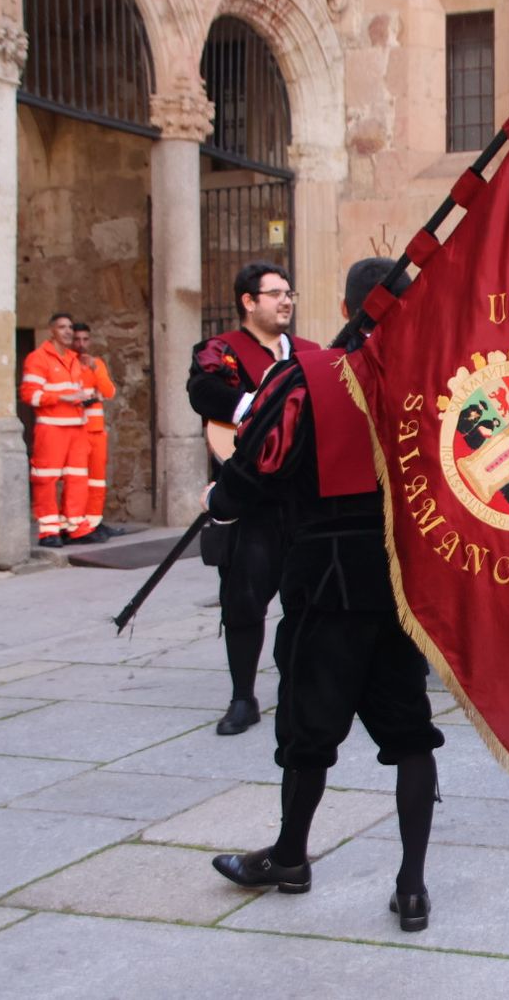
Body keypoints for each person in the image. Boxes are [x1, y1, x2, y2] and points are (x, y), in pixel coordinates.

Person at [208, 256, 443, 932]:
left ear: (346, 309)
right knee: (410, 733)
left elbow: (258, 463)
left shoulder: (303, 378)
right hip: (398, 580)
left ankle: (290, 857)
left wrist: (223, 499)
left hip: (326, 576)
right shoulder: (431, 382)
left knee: (307, 730)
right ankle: (412, 885)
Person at [188, 262, 321, 736]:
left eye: (289, 293)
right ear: (248, 301)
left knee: (310, 598)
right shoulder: (220, 351)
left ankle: (302, 689)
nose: (286, 301)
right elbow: (204, 391)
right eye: (275, 293)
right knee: (243, 599)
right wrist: (261, 409)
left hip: (304, 499)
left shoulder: (310, 354)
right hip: (251, 500)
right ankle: (243, 697)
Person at [19, 313, 96, 547]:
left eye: (70, 327)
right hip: (51, 428)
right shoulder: (37, 358)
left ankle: (75, 528)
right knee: (46, 479)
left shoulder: (74, 359)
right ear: (51, 330)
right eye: (62, 327)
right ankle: (49, 531)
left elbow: (75, 390)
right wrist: (63, 397)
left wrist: (84, 397)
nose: (68, 331)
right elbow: (29, 395)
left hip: (76, 427)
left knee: (77, 479)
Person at [70, 322, 119, 540]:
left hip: (97, 431)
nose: (81, 344)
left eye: (85, 339)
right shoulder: (68, 364)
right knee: (78, 481)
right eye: (77, 339)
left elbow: (108, 391)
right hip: (77, 430)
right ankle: (78, 525)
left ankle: (94, 522)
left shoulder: (96, 363)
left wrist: (95, 369)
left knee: (98, 480)